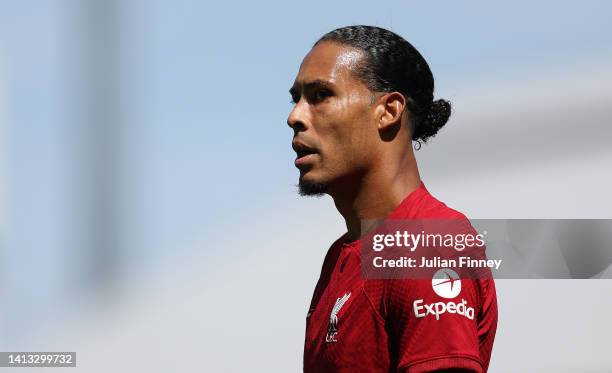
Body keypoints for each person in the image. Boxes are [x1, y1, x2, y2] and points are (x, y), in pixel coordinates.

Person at [288, 25, 498, 372]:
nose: (294, 116)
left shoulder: (428, 242)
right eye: (295, 98)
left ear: (388, 111)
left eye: (321, 95)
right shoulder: (342, 255)